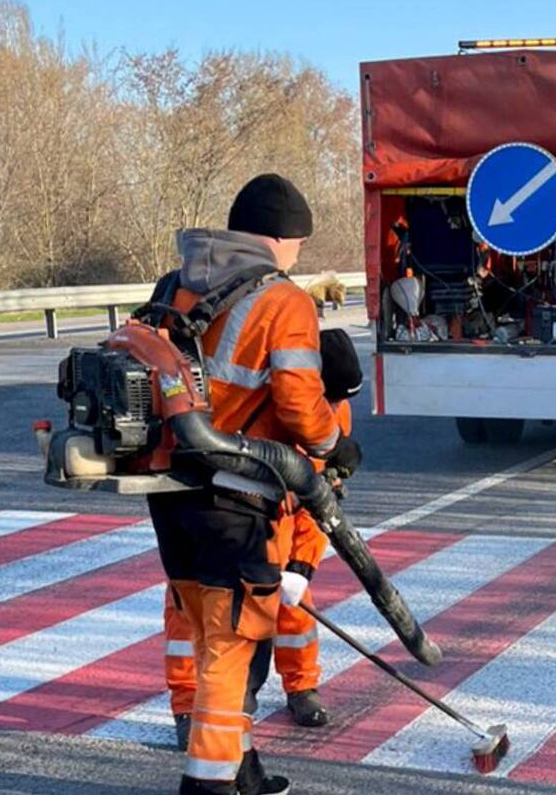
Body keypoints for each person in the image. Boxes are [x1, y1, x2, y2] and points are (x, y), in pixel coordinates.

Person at [147, 174, 363, 795]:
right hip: (236, 498)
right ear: (281, 238)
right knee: (231, 645)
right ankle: (209, 782)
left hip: (170, 494)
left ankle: (242, 770)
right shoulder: (281, 299)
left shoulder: (176, 285)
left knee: (207, 627)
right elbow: (298, 407)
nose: (297, 257)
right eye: (298, 245)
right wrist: (335, 446)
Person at [164, 328, 363, 748]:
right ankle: (190, 705)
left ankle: (301, 687)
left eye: (340, 403)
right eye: (327, 400)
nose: (333, 411)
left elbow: (320, 501)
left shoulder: (334, 413)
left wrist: (302, 567)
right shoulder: (251, 403)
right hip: (223, 516)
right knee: (195, 613)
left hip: (286, 518)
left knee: (294, 606)